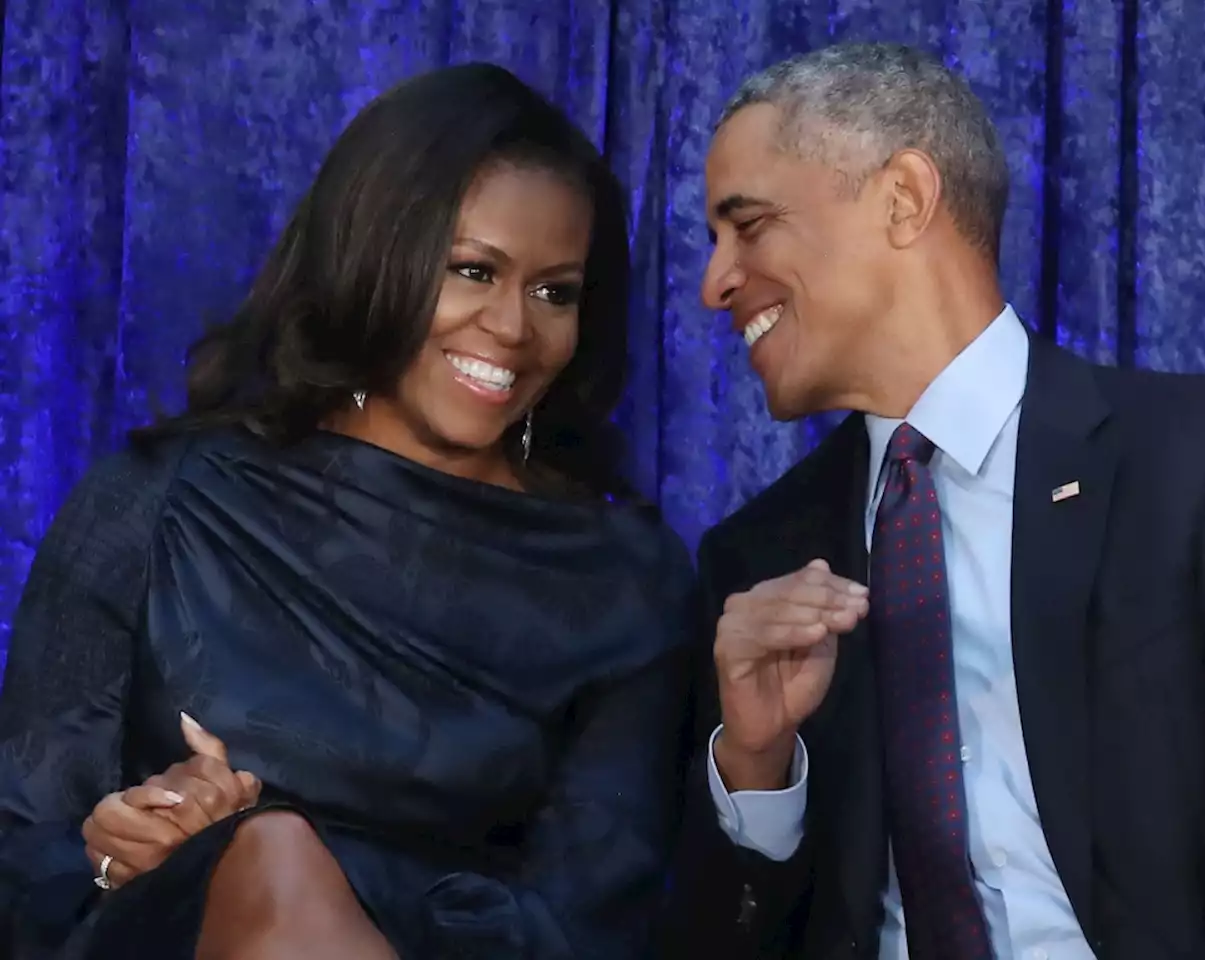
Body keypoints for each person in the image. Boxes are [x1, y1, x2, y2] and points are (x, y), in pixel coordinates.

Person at [0, 63, 695, 960]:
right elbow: (22, 852)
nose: (515, 327)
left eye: (555, 290)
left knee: (276, 857)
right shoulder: (161, 499)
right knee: (272, 860)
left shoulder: (625, 580)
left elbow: (591, 926)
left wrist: (315, 875)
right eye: (473, 271)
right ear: (374, 256)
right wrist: (128, 853)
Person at [657, 42, 1205, 960]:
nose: (714, 282)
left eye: (748, 226)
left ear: (904, 198)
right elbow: (723, 939)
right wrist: (756, 768)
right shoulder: (757, 558)